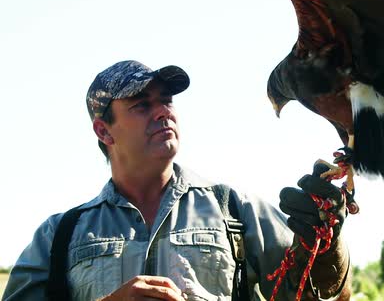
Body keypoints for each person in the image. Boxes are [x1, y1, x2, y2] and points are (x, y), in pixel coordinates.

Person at [2, 60, 351, 300]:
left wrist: (326, 251)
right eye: (141, 104)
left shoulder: (234, 210)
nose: (163, 111)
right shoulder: (60, 235)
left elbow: (317, 294)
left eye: (166, 100)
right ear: (103, 130)